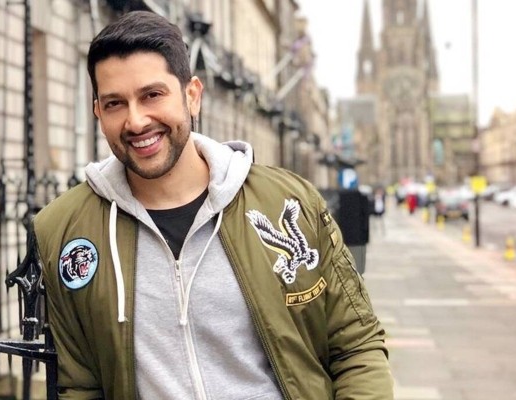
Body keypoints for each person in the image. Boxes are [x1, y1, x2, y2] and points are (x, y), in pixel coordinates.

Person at [34, 10, 393, 399]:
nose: (136, 121)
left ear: (192, 96)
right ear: (97, 112)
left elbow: (356, 344)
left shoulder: (289, 202)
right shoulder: (64, 229)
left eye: (152, 95)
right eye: (115, 103)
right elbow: (79, 385)